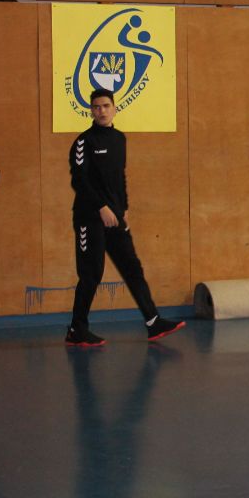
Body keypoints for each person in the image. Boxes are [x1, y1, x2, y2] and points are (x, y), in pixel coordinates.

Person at [66, 88, 184, 346]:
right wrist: (101, 207)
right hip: (90, 217)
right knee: (91, 274)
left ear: (114, 108)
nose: (101, 111)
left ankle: (153, 322)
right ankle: (77, 329)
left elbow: (120, 178)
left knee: (132, 268)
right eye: (96, 107)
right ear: (91, 111)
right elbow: (79, 181)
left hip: (115, 218)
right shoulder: (84, 142)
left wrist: (124, 209)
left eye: (106, 106)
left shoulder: (120, 139)